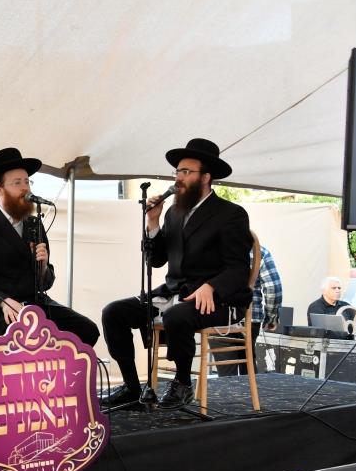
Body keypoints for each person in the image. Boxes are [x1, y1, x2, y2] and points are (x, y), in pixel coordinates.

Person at [100, 138, 252, 410]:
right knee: (114, 312)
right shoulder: (173, 212)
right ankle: (133, 389)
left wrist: (211, 286)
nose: (179, 178)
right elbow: (157, 260)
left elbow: (238, 268)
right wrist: (153, 222)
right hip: (174, 293)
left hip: (219, 300)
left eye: (186, 172)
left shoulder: (231, 214)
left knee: (176, 315)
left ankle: (182, 384)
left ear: (206, 177)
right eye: (177, 172)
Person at [0, 147, 100, 348]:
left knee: (86, 330)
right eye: (17, 183)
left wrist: (43, 267)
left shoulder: (34, 224)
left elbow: (45, 283)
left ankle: (53, 378)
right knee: (17, 337)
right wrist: (3, 301)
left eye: (27, 182)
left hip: (35, 304)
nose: (25, 188)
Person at [213, 245, 282, 377]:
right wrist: (271, 317)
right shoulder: (259, 251)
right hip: (250, 317)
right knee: (248, 361)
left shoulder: (211, 248)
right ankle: (250, 394)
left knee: (225, 368)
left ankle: (228, 392)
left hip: (217, 317)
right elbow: (273, 287)